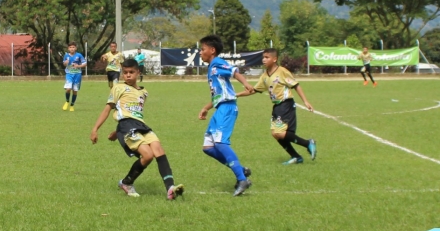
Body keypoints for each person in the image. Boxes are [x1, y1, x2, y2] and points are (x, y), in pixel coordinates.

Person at [90, 59, 184, 200]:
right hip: (127, 126)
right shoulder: (118, 88)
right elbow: (108, 109)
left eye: (131, 72)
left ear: (138, 72)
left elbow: (134, 113)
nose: (128, 75)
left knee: (158, 149)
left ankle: (170, 188)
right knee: (147, 155)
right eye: (125, 72)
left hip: (141, 125)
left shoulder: (144, 92)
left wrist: (117, 133)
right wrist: (95, 129)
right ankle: (126, 183)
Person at [237, 48, 317, 165]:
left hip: (286, 104)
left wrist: (305, 101)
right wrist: (236, 95)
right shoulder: (264, 76)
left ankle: (308, 143)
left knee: (278, 133)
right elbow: (254, 90)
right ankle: (296, 157)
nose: (264, 59)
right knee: (276, 135)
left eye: (267, 57)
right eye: (263, 57)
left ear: (274, 59)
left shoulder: (282, 71)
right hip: (277, 107)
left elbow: (296, 85)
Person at [197, 35, 255, 196]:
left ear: (212, 50)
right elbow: (219, 94)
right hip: (220, 108)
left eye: (202, 49)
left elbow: (234, 71)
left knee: (221, 143)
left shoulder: (217, 62)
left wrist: (246, 83)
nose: (200, 52)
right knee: (208, 147)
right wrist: (206, 107)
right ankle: (240, 170)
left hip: (227, 108)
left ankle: (242, 179)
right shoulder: (212, 68)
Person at [62, 42, 87, 112]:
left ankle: (72, 105)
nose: (72, 48)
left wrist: (78, 66)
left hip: (77, 74)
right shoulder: (66, 55)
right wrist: (65, 63)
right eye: (70, 47)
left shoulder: (79, 55)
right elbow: (64, 63)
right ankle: (67, 101)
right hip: (69, 74)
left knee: (75, 91)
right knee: (68, 89)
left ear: (75, 48)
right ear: (68, 48)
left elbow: (85, 64)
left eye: (73, 47)